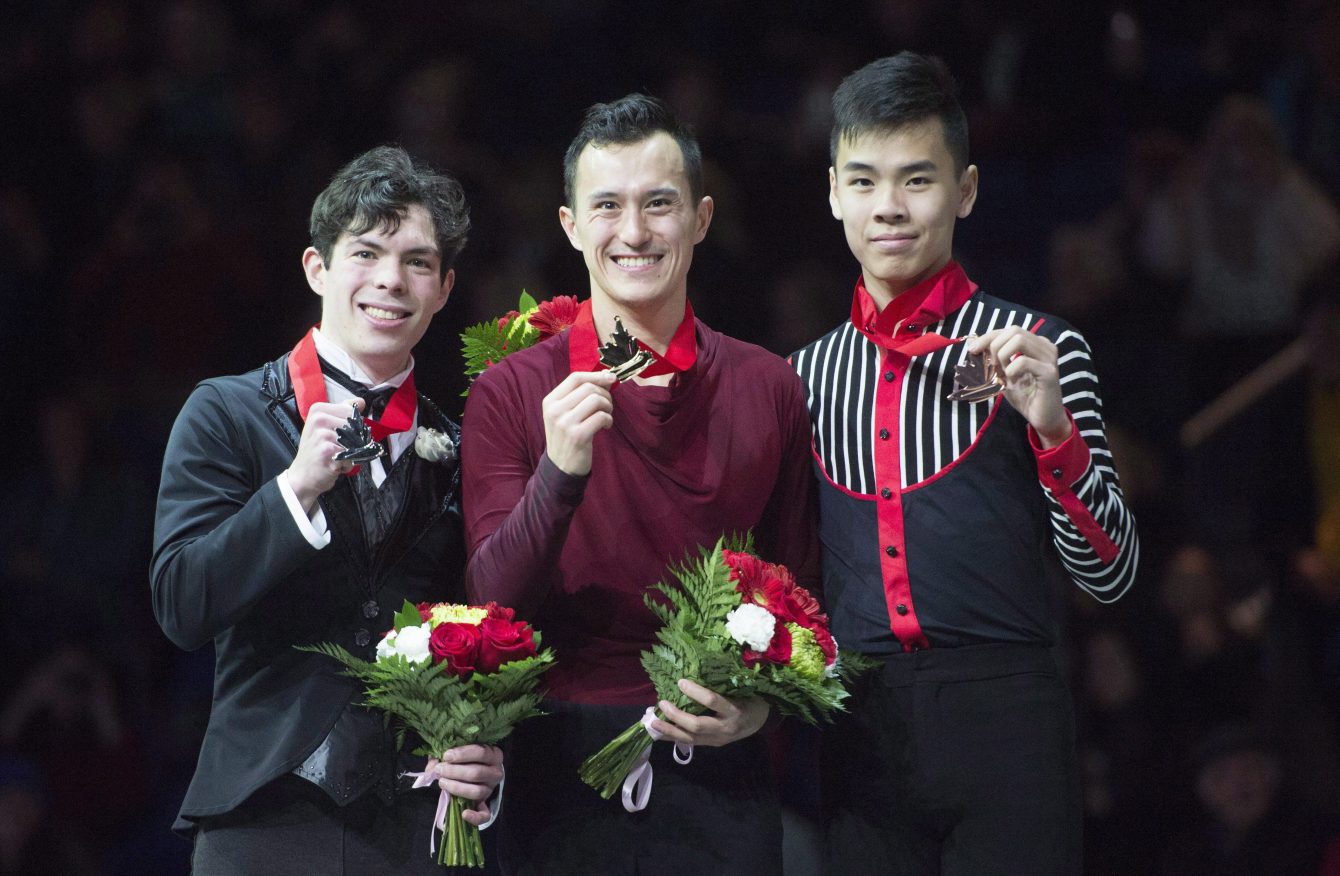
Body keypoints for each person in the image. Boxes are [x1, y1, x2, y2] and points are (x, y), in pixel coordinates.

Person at [790, 53, 1139, 874]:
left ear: (968, 190)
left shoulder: (1043, 350)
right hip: (859, 727)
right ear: (834, 191)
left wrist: (1053, 428)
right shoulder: (799, 379)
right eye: (866, 181)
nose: (889, 208)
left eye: (917, 180)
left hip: (1008, 717)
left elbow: (1111, 577)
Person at [460, 94, 817, 874]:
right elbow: (490, 607)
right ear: (570, 226)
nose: (633, 232)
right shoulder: (512, 393)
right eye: (608, 207)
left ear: (700, 218)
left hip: (720, 780)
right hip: (554, 775)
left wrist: (760, 710)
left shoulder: (769, 387)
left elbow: (807, 598)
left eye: (659, 204)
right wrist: (558, 473)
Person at [151, 146, 503, 873]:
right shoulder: (227, 413)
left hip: (419, 821)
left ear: (443, 289)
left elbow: (493, 630)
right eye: (366, 252)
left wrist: (491, 757)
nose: (389, 281)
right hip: (261, 815)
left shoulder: (463, 446)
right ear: (317, 268)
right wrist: (294, 491)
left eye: (416, 261)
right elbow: (182, 603)